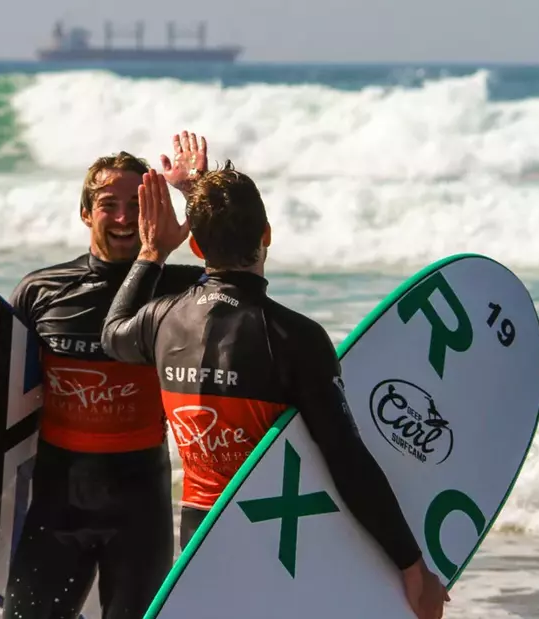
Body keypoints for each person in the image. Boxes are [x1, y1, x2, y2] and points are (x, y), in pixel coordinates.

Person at [98, 164, 451, 619]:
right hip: (281, 543)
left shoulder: (161, 318)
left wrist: (151, 252)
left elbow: (112, 334)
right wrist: (410, 563)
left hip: (199, 539)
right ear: (266, 234)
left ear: (198, 245)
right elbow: (347, 460)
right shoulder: (294, 337)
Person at [0, 132, 211, 619]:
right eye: (109, 204)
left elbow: (237, 266)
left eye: (137, 205)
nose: (124, 219)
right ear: (85, 212)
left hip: (140, 505)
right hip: (57, 504)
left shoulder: (180, 289)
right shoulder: (41, 292)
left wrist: (196, 191)